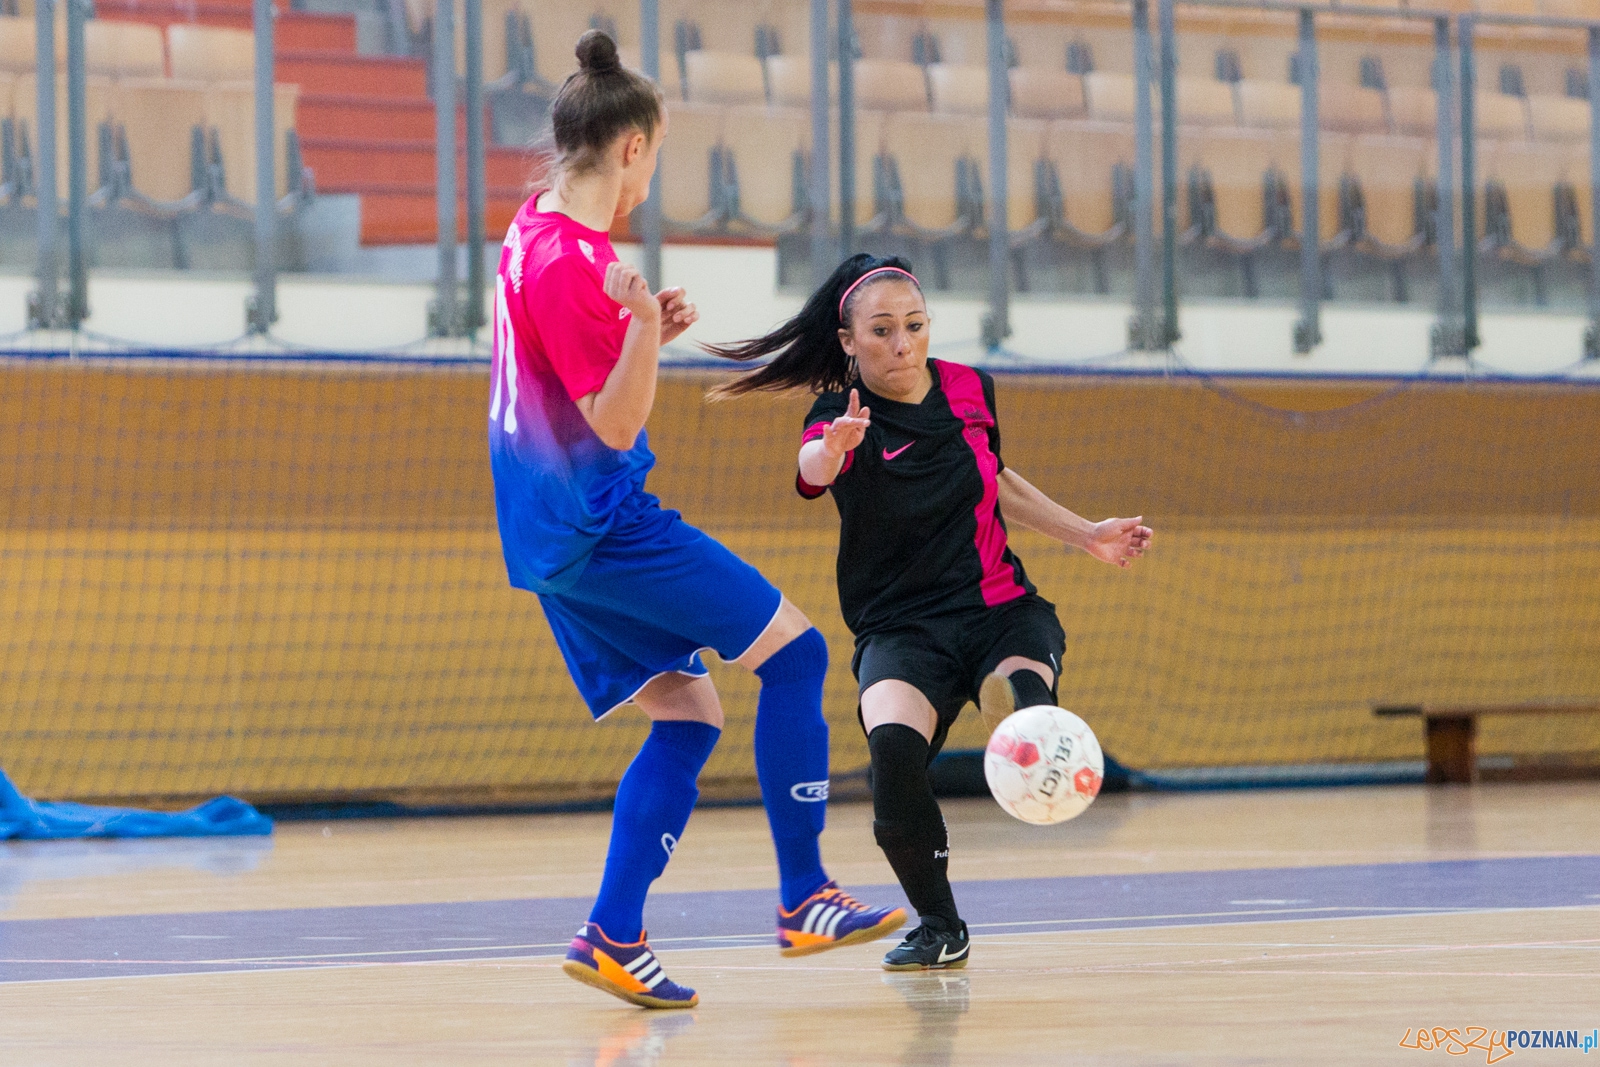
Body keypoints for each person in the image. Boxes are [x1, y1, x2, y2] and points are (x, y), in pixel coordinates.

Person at [491, 35, 904, 1009]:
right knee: (796, 655)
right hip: (600, 522)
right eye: (658, 150)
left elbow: (569, 375)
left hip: (550, 536)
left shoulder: (532, 228)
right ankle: (806, 896)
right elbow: (615, 421)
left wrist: (638, 330)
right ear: (632, 147)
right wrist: (639, 332)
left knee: (688, 715)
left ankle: (611, 932)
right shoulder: (578, 263)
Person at [708, 254, 1152, 970]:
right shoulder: (836, 413)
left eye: (913, 326)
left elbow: (994, 476)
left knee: (1018, 705)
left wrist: (1087, 533)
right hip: (900, 630)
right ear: (849, 341)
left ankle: (1040, 740)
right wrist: (834, 448)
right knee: (892, 754)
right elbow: (813, 470)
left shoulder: (972, 389)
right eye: (881, 331)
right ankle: (941, 923)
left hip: (999, 610)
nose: (902, 343)